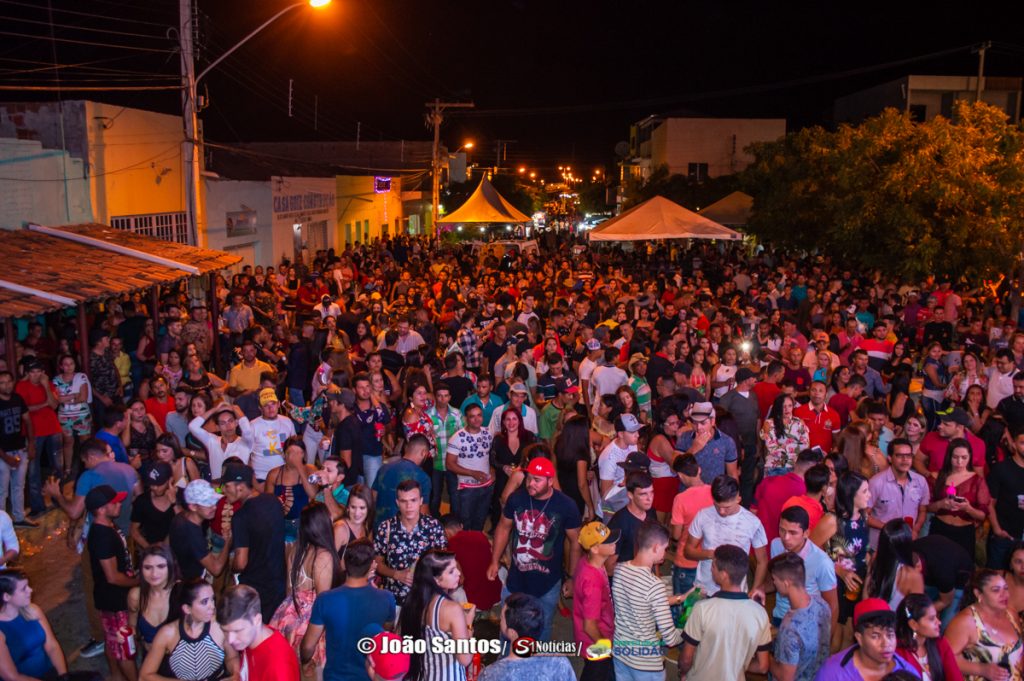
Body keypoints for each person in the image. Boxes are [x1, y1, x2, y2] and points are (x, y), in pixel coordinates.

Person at [487, 457, 582, 641]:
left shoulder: (566, 505)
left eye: (537, 480)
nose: (531, 484)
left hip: (548, 582)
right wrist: (494, 560)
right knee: (508, 628)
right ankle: (507, 664)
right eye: (529, 478)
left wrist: (572, 577)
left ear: (550, 481)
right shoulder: (517, 498)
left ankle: (536, 664)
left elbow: (575, 542)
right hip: (516, 579)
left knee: (542, 627)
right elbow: (503, 527)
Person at [302, 538, 396, 681]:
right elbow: (386, 631)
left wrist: (305, 661)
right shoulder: (387, 598)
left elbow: (308, 647)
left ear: (344, 563)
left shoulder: (325, 600)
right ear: (372, 566)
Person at [679, 544, 772, 680]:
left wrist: (683, 673)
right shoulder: (760, 614)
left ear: (723, 575)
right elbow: (763, 666)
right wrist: (737, 666)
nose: (711, 569)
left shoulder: (703, 609)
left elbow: (686, 659)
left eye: (713, 566)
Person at [268, 503, 339, 674]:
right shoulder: (323, 556)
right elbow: (323, 604)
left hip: (288, 616)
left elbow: (288, 591)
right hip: (309, 626)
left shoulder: (295, 550)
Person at [612, 521, 683, 679]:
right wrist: (687, 630)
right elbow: (670, 638)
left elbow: (643, 599)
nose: (665, 553)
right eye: (665, 549)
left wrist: (681, 598)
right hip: (645, 662)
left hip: (621, 652)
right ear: (656, 547)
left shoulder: (620, 569)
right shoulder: (654, 585)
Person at [85, 484, 139, 681]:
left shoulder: (108, 526)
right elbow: (113, 577)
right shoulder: (102, 535)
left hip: (111, 597)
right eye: (114, 502)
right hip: (114, 599)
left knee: (112, 641)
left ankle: (116, 676)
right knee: (124, 645)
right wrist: (138, 582)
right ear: (100, 509)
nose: (119, 504)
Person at [685, 474, 768, 597]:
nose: (721, 511)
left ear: (738, 499)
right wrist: (710, 554)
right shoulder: (703, 515)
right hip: (703, 589)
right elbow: (688, 551)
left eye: (726, 507)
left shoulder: (752, 522)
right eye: (717, 506)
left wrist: (754, 590)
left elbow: (762, 561)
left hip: (736, 593)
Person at [139, 578, 238, 681]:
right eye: (204, 602)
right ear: (187, 608)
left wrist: (236, 675)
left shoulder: (219, 625)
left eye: (212, 599)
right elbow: (145, 676)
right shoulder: (167, 633)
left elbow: (232, 657)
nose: (212, 606)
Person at [398, 549, 475, 681]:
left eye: (456, 567)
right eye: (451, 571)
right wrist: (468, 624)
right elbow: (465, 658)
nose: (458, 573)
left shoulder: (413, 602)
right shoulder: (451, 609)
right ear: (436, 580)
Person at [224, 462, 286, 624]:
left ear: (240, 487)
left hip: (256, 588)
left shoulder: (241, 517)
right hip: (278, 582)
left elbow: (241, 563)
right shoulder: (273, 502)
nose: (224, 491)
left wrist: (231, 566)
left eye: (227, 486)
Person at [374, 479, 447, 606]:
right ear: (397, 503)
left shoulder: (434, 527)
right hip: (394, 600)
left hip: (426, 599)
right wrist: (396, 574)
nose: (409, 506)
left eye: (413, 500)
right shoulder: (386, 528)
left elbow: (444, 563)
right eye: (404, 501)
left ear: (421, 501)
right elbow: (377, 563)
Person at [944, 569, 1024, 681]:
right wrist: (982, 669)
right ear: (978, 593)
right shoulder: (965, 622)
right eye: (996, 590)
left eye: (1006, 588)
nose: (1004, 594)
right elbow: (946, 658)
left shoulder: (1010, 613)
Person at [479, 592, 576, 681]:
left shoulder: (492, 674)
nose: (500, 620)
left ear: (512, 632)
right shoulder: (560, 662)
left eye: (502, 618)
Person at [0, 569, 76, 681]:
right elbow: (12, 677)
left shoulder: (32, 610)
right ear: (6, 597)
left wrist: (63, 675)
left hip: (49, 673)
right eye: (23, 589)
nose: (30, 590)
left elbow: (52, 646)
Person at [814, 598, 918, 680]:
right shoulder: (832, 672)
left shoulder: (908, 673)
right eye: (875, 636)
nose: (886, 644)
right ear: (859, 638)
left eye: (890, 635)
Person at [771, 506, 839, 629]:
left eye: (793, 533)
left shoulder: (822, 562)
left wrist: (825, 642)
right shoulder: (776, 545)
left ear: (806, 533)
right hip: (780, 617)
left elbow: (832, 606)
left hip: (808, 623)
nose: (786, 538)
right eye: (782, 530)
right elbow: (773, 582)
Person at [769, 552, 832, 681]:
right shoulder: (822, 604)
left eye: (774, 579)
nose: (774, 583)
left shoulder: (791, 629)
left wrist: (765, 657)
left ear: (786, 583)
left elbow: (784, 677)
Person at [217, 584, 299, 681]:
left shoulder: (279, 666)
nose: (230, 640)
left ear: (257, 620)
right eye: (225, 631)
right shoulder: (249, 639)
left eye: (237, 631)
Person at [927, 437, 991, 559]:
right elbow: (927, 507)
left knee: (961, 571)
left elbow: (983, 515)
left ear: (970, 457)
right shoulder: (937, 477)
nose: (959, 462)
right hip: (940, 528)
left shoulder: (977, 480)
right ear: (949, 457)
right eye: (955, 457)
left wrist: (968, 508)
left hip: (964, 532)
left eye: (964, 458)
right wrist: (941, 504)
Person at [573, 521, 617, 681]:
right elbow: (589, 626)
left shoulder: (591, 562)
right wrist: (606, 646)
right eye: (608, 541)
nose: (614, 542)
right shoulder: (592, 581)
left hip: (593, 637)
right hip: (594, 642)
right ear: (595, 548)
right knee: (595, 673)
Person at [868, 438, 931, 547]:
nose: (905, 459)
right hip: (882, 543)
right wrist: (888, 528)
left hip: (908, 543)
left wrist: (916, 529)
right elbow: (864, 515)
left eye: (908, 455)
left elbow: (923, 510)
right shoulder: (876, 482)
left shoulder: (920, 481)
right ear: (890, 458)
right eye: (899, 455)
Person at [445, 402, 494, 531]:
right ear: (466, 419)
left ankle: (476, 547)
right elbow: (449, 464)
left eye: (479, 415)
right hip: (467, 488)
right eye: (472, 416)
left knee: (481, 520)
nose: (477, 419)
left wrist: (493, 471)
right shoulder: (457, 437)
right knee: (465, 522)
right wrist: (472, 473)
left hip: (486, 486)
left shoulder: (488, 433)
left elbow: (491, 456)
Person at [894, 593, 963, 681]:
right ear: (913, 624)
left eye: (936, 616)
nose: (939, 622)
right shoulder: (897, 652)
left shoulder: (941, 644)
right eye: (931, 619)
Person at [265, 435, 319, 544]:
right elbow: (268, 505)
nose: (296, 457)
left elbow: (313, 494)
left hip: (303, 523)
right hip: (280, 523)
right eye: (292, 453)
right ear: (284, 455)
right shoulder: (274, 474)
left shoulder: (311, 470)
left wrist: (299, 467)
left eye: (299, 453)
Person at [240, 387, 295, 487]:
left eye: (273, 404)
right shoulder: (252, 426)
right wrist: (255, 483)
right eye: (266, 405)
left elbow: (295, 449)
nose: (270, 408)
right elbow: (245, 455)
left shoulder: (287, 422)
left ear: (278, 404)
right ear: (260, 408)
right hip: (261, 477)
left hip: (283, 476)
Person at [372, 434, 432, 524]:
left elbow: (373, 497)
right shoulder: (423, 478)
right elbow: (423, 513)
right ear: (424, 452)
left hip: (380, 527)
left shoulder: (384, 468)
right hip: (404, 533)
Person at [127, 545, 176, 656]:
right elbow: (132, 626)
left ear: (170, 566)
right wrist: (127, 636)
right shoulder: (136, 596)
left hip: (179, 663)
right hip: (149, 658)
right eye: (148, 568)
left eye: (161, 566)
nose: (154, 574)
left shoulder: (180, 595)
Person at [0, 370, 34, 528]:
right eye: (2, 382)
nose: (6, 385)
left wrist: (31, 443)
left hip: (19, 448)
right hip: (2, 453)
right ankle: (2, 524)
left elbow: (27, 421)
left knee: (19, 486)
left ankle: (19, 517)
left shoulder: (17, 398)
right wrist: (6, 457)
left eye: (8, 381)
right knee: (2, 490)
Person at [866, 519, 925, 610]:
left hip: (873, 616)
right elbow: (917, 611)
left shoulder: (875, 558)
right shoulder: (912, 576)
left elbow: (867, 592)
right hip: (892, 622)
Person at [605, 471, 656, 572]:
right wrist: (640, 564)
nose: (649, 498)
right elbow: (609, 567)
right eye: (643, 494)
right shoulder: (619, 523)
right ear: (630, 495)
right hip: (625, 583)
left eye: (652, 492)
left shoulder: (651, 512)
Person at [988, 429, 1024, 570]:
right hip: (1005, 535)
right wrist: (997, 530)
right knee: (996, 577)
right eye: (1022, 442)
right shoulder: (1001, 469)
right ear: (1014, 444)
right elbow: (989, 503)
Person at [188, 401, 252, 479]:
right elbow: (193, 426)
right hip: (217, 489)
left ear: (236, 423)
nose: (228, 426)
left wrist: (234, 408)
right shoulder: (212, 441)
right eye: (223, 423)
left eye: (230, 421)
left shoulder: (245, 442)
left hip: (237, 488)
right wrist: (214, 410)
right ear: (217, 427)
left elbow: (247, 430)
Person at [761, 393, 811, 476]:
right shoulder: (769, 423)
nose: (787, 409)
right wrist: (793, 447)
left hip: (795, 466)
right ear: (778, 407)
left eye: (790, 406)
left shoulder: (799, 423)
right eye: (783, 406)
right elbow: (771, 448)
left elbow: (806, 445)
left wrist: (784, 446)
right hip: (774, 467)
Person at [129, 461, 176, 549]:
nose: (154, 487)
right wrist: (151, 550)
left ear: (170, 480)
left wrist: (174, 503)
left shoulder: (180, 497)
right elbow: (133, 530)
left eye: (158, 484)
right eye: (152, 484)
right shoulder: (142, 501)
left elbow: (186, 524)